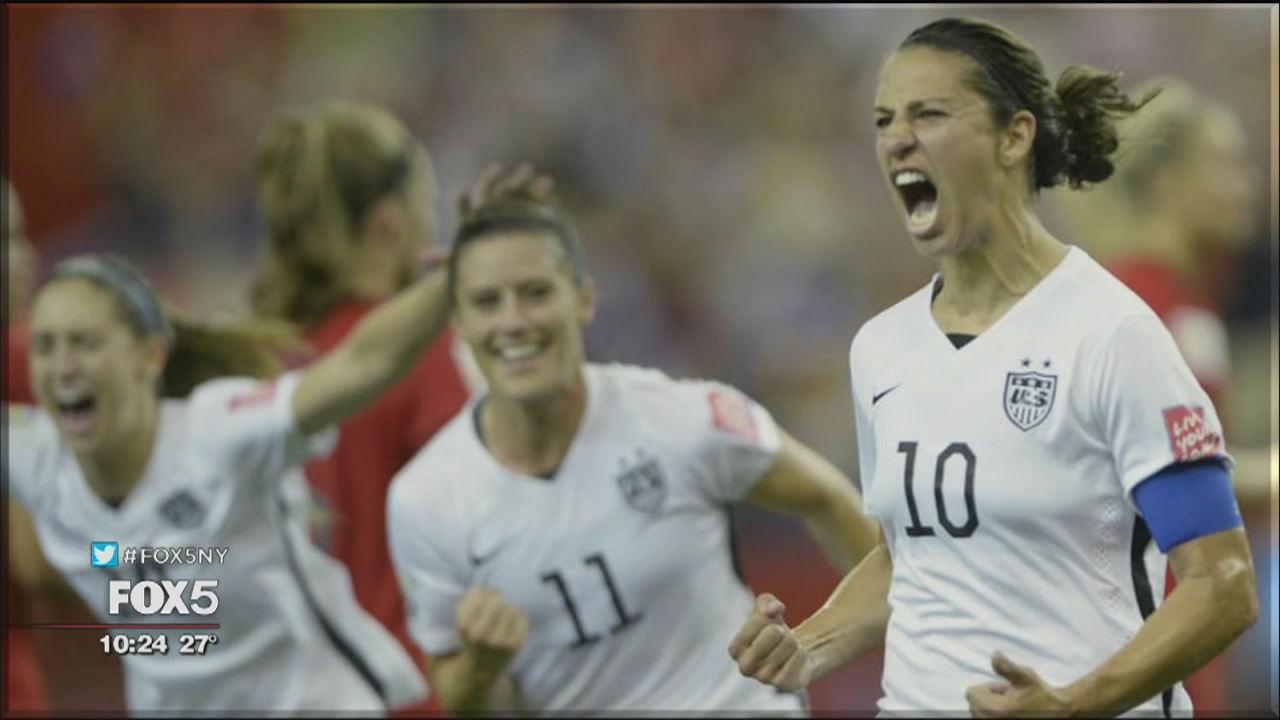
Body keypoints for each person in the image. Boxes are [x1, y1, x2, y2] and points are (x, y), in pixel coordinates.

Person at [729, 17, 1259, 717]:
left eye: (930, 113)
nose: (897, 137)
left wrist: (1072, 704)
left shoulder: (1113, 333)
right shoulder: (881, 349)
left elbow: (1221, 581)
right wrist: (811, 645)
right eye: (886, 118)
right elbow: (916, 558)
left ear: (1015, 136)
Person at [386, 175, 882, 715]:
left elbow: (829, 498)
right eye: (487, 302)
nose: (513, 321)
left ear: (583, 300)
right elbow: (462, 700)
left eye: (535, 293)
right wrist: (481, 668)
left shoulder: (680, 416)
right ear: (459, 323)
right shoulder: (426, 499)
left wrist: (872, 640)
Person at [5, 237, 454, 713]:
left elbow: (361, 362)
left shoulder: (217, 436)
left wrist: (453, 279)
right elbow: (108, 555)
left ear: (150, 356)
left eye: (86, 342)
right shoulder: (35, 457)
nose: (62, 367)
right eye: (46, 346)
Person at [248, 99, 479, 716]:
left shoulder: (256, 360)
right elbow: (486, 525)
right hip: (405, 688)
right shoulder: (423, 357)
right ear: (388, 222)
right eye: (427, 204)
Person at [1054, 78, 1276, 711]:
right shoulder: (1143, 309)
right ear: (1167, 185)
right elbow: (1179, 475)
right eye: (1227, 166)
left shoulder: (1172, 299)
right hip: (1151, 624)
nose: (1247, 185)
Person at [3, 177, 52, 716]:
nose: (28, 257)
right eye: (6, 238)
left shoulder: (19, 360)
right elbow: (40, 564)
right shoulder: (21, 363)